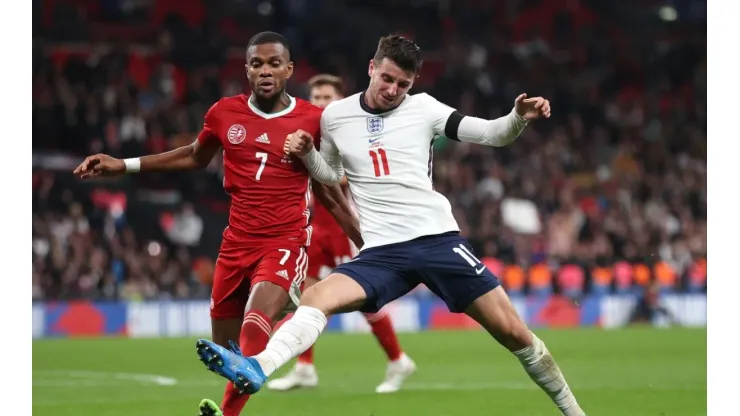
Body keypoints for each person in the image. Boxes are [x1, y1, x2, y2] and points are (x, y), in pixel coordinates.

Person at [195, 34, 587, 416]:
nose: (392, 89)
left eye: (403, 83)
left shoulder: (425, 109)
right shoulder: (336, 116)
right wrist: (310, 152)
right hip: (381, 252)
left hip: (437, 240)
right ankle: (258, 367)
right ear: (372, 68)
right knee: (317, 299)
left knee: (515, 334)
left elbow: (492, 134)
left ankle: (574, 411)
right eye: (387, 78)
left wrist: (517, 117)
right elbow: (329, 176)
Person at [73, 32, 361, 416]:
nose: (265, 71)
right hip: (235, 245)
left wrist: (368, 240)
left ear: (289, 69)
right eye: (256, 64)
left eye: (274, 63)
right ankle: (266, 349)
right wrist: (123, 165)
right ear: (246, 70)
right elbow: (194, 156)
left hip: (285, 242)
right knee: (230, 353)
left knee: (256, 324)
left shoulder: (312, 120)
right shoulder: (225, 113)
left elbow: (328, 190)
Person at [266, 74, 416, 394]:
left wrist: (310, 160)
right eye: (316, 97)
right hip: (314, 227)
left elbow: (346, 178)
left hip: (343, 226)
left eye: (327, 97)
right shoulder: (305, 132)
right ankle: (305, 367)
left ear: (340, 100)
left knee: (362, 298)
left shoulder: (351, 131)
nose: (321, 103)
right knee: (308, 295)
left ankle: (398, 358)